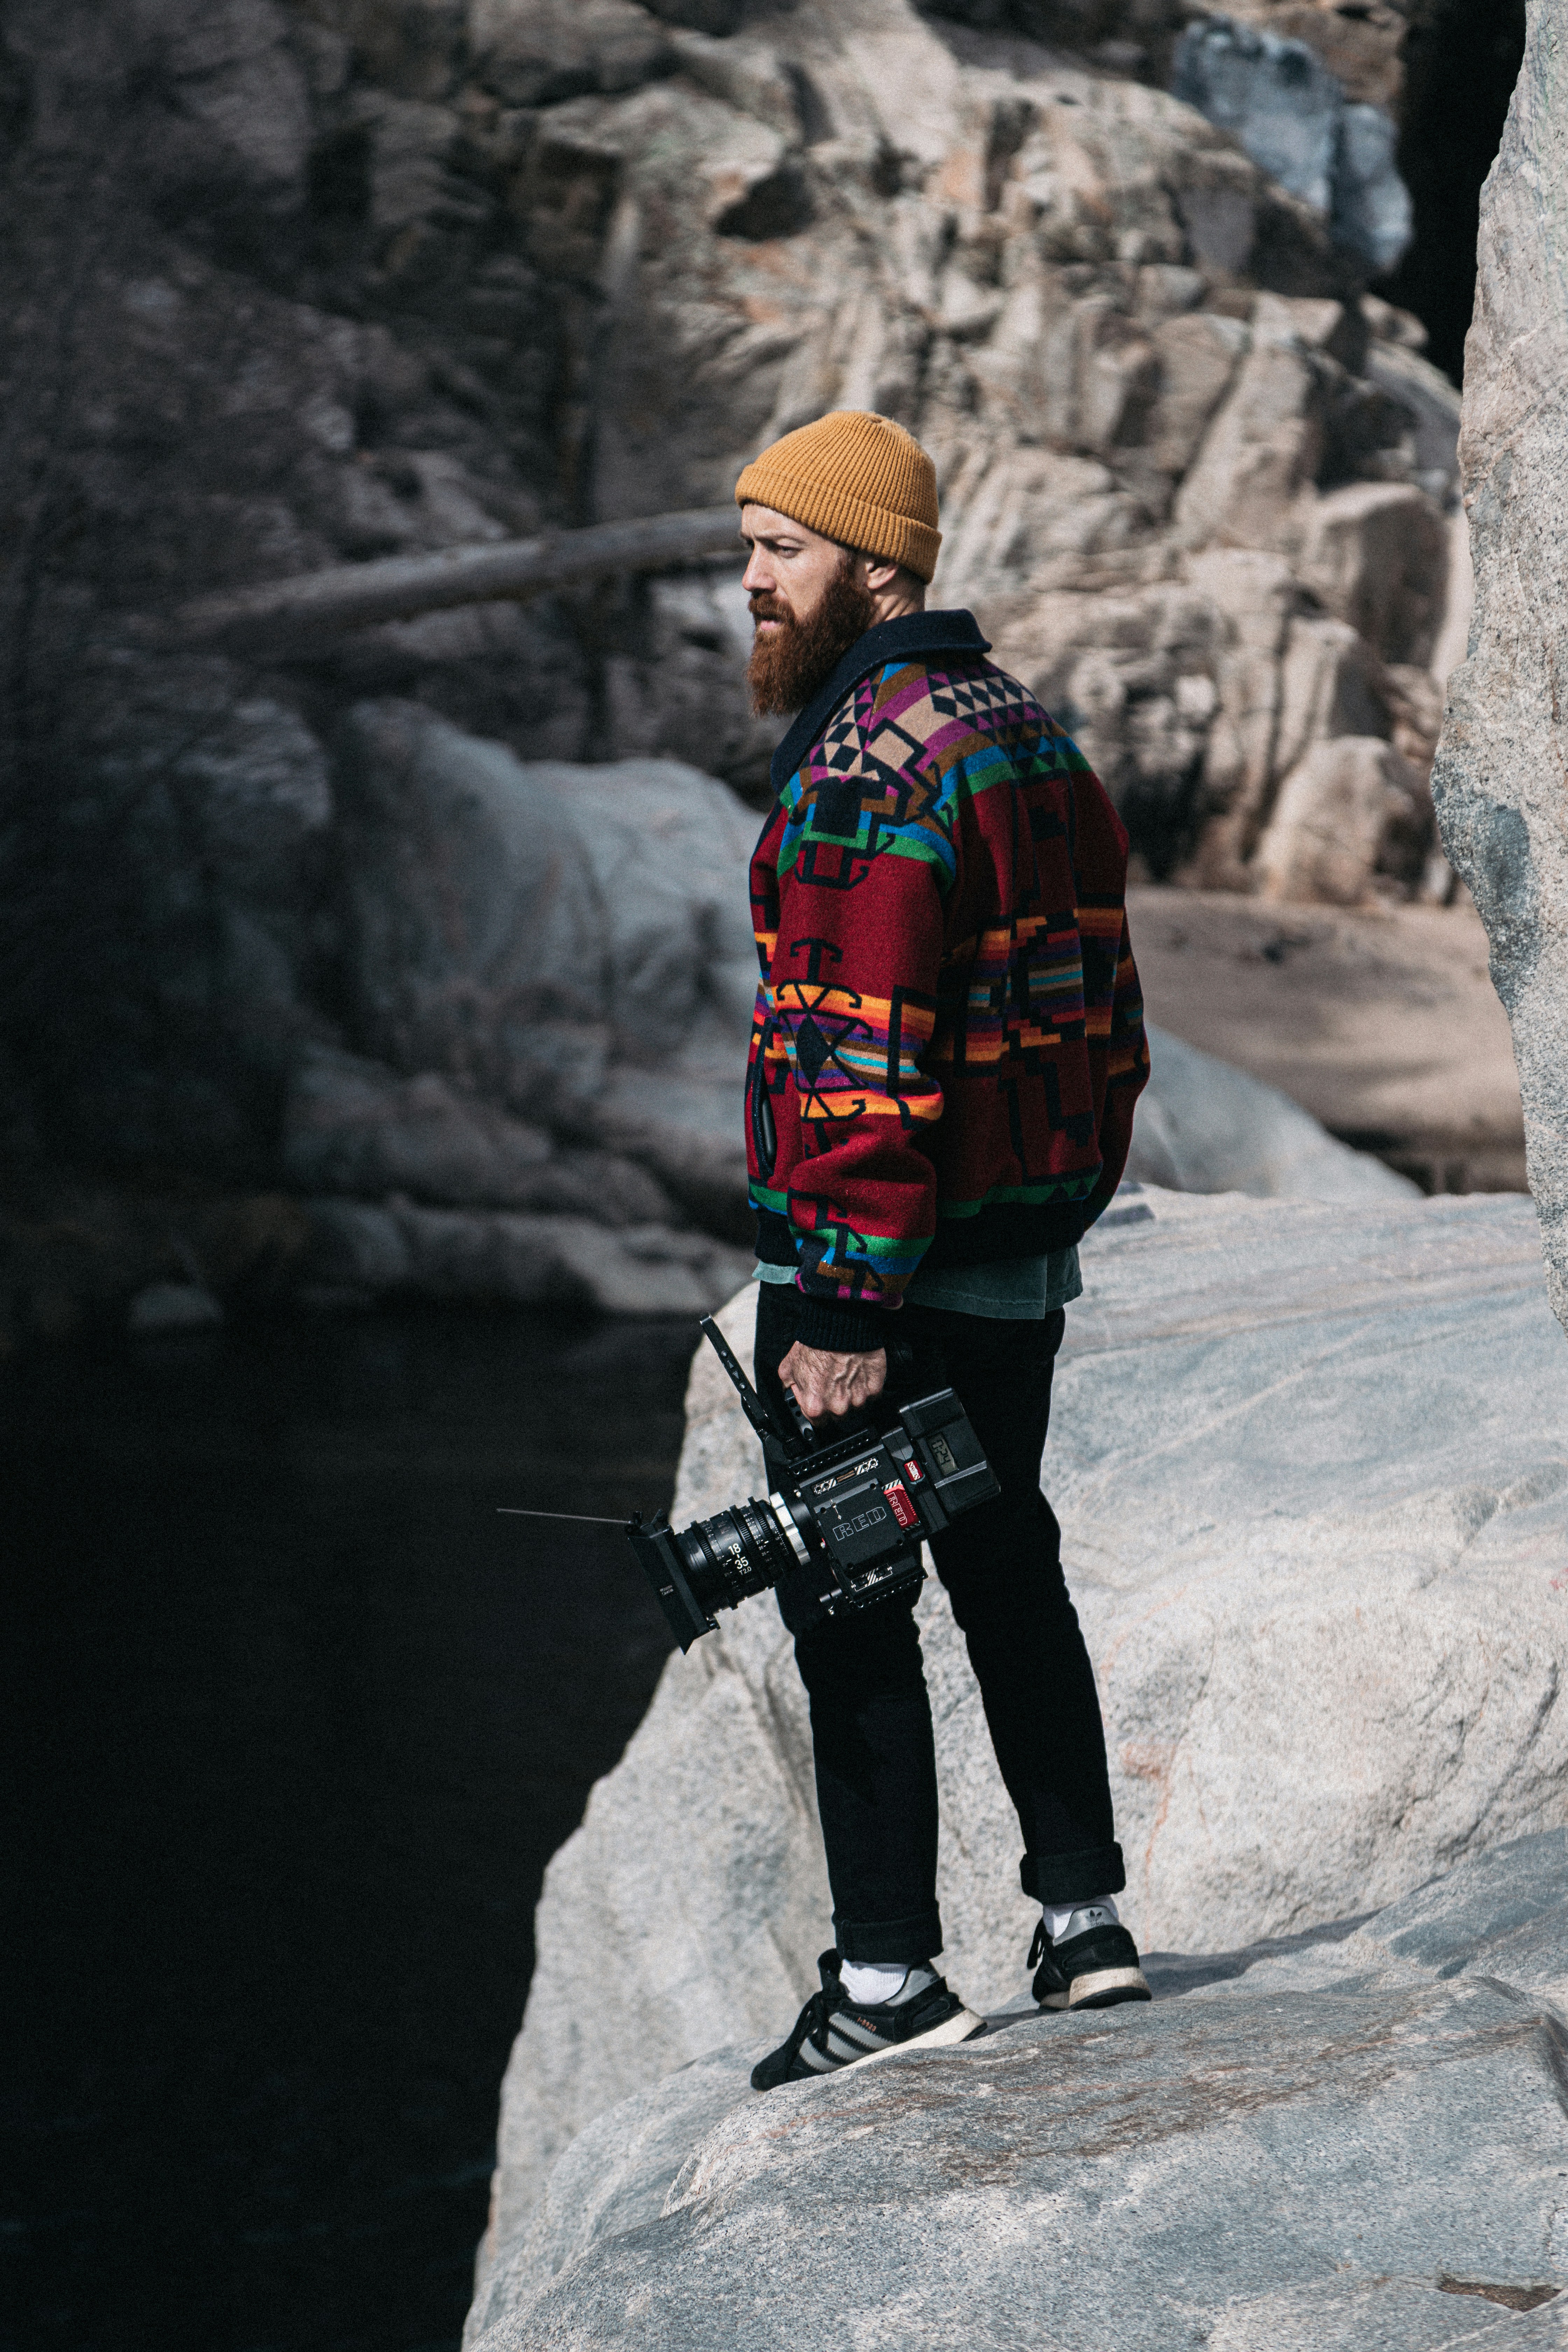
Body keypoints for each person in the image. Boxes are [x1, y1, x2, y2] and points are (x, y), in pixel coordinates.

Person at [734, 409, 1153, 2091]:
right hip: (1012, 1264)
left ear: (876, 565)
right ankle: (1081, 1924)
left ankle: (889, 1976)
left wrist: (840, 1303)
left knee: (849, 1603)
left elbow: (854, 1049)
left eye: (781, 550)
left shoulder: (865, 767)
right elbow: (1107, 1021)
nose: (751, 583)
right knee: (1009, 1570)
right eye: (748, 548)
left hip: (883, 1284)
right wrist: (1045, 1211)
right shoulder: (1021, 733)